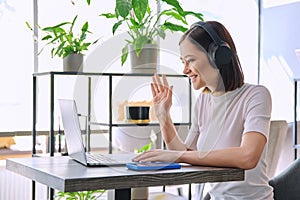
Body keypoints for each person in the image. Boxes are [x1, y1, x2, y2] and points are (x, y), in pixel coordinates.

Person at [133, 21, 274, 199]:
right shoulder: (203, 101)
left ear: (218, 55)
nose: (185, 70)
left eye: (190, 60)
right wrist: (164, 117)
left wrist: (178, 156)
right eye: (183, 62)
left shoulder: (256, 95)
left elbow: (248, 156)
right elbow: (188, 153)